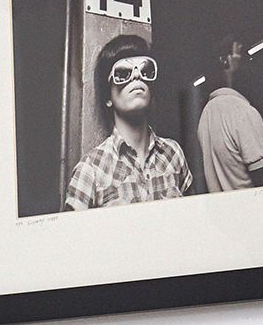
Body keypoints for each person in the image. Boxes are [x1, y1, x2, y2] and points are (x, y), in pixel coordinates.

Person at [65, 35, 192, 211]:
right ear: (107, 97)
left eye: (145, 70)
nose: (137, 77)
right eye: (123, 73)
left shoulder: (173, 154)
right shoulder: (91, 170)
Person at [197, 36, 263, 191]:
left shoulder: (205, 115)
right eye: (243, 54)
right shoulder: (241, 112)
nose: (249, 60)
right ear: (225, 60)